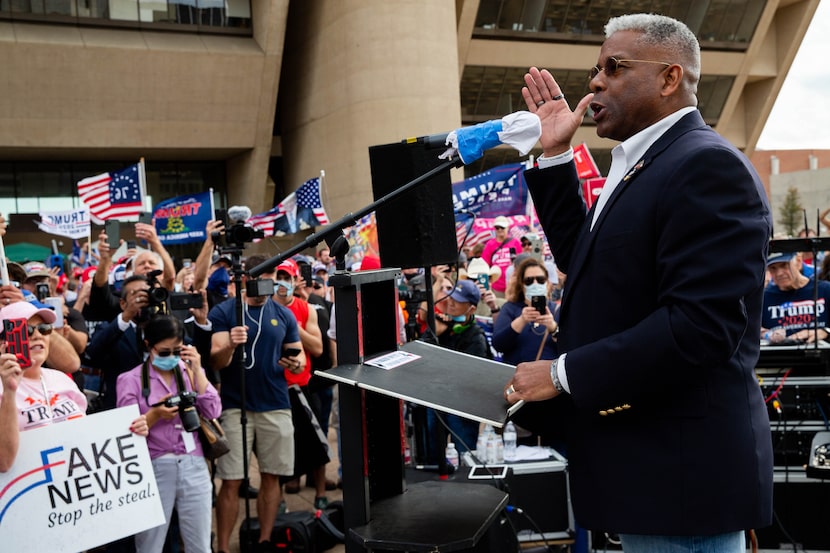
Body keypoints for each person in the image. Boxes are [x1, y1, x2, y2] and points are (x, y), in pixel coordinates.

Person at [504, 14, 773, 552]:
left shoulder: (706, 168)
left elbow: (700, 328)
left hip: (683, 483)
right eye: (595, 69)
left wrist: (560, 373)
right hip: (649, 473)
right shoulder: (643, 165)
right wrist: (555, 156)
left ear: (670, 78)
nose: (595, 81)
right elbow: (590, 267)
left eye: (614, 67)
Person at [209, 255, 304, 553]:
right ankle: (224, 547)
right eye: (259, 277)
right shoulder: (225, 311)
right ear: (245, 278)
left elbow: (296, 355)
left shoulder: (284, 313)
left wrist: (297, 364)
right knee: (231, 480)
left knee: (272, 475)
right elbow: (215, 359)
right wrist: (230, 344)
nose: (266, 284)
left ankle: (264, 541)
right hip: (235, 404)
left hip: (275, 401)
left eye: (271, 276)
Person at [0, 300, 148, 472]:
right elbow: (3, 462)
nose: (37, 335)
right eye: (26, 330)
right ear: (4, 344)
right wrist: (10, 392)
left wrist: (128, 431)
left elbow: (87, 437)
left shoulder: (61, 380)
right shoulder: (3, 387)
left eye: (44, 328)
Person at [116, 315, 220, 553]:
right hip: (153, 467)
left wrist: (197, 370)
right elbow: (124, 429)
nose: (171, 358)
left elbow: (213, 410)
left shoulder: (188, 372)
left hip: (194, 462)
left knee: (200, 545)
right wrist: (155, 415)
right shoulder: (130, 380)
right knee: (149, 545)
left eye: (177, 351)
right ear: (148, 346)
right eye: (164, 352)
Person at [421, 279, 489, 459]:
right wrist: (436, 332)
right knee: (432, 456)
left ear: (471, 309)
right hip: (435, 400)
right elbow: (418, 352)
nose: (450, 302)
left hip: (462, 407)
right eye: (450, 296)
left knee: (464, 454)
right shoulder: (441, 325)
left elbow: (473, 375)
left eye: (457, 300)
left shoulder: (476, 337)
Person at [492, 257, 558, 366]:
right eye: (529, 281)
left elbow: (571, 348)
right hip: (516, 376)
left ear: (547, 282)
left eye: (540, 279)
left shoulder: (558, 310)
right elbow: (498, 345)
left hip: (547, 378)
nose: (535, 284)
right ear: (522, 285)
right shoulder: (510, 308)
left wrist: (553, 328)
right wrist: (521, 321)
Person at [762, 251, 830, 343]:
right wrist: (766, 334)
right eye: (773, 268)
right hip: (782, 354)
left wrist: (825, 331)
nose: (779, 273)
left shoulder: (825, 289)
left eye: (784, 265)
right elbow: (751, 329)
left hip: (820, 352)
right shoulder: (764, 297)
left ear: (799, 261)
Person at [480, 215, 521, 297]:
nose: (500, 230)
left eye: (502, 227)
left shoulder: (515, 242)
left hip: (513, 284)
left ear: (507, 228)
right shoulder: (489, 245)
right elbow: (484, 265)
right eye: (497, 228)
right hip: (497, 286)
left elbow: (521, 262)